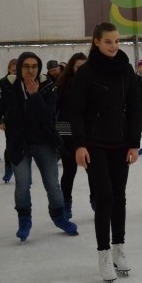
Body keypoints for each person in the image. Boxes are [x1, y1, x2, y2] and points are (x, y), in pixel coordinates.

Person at [71, 22, 142, 283]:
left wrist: (134, 142)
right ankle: (103, 252)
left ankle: (118, 247)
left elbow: (136, 107)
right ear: (96, 42)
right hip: (95, 144)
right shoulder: (86, 73)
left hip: (121, 143)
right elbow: (75, 111)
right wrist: (79, 143)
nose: (113, 46)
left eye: (116, 41)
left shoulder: (127, 71)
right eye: (108, 41)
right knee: (105, 196)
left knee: (119, 197)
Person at [0, 52, 78, 242]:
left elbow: (49, 117)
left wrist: (34, 95)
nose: (31, 70)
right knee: (22, 185)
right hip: (19, 142)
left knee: (53, 185)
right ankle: (24, 219)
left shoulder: (48, 86)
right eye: (26, 66)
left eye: (34, 66)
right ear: (19, 68)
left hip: (44, 142)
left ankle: (59, 216)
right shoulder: (7, 85)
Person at [54, 52, 88, 219]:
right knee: (69, 169)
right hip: (66, 128)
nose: (81, 70)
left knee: (92, 169)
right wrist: (60, 136)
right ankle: (66, 203)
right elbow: (57, 110)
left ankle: (96, 199)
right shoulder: (64, 84)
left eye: (84, 67)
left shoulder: (92, 83)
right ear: (72, 67)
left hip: (86, 130)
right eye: (78, 67)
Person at [0, 58, 18, 183]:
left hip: (24, 121)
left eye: (17, 70)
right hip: (9, 120)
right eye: (13, 70)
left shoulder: (23, 81)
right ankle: (9, 168)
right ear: (9, 69)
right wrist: (0, 120)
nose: (15, 73)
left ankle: (21, 169)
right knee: (10, 145)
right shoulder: (3, 83)